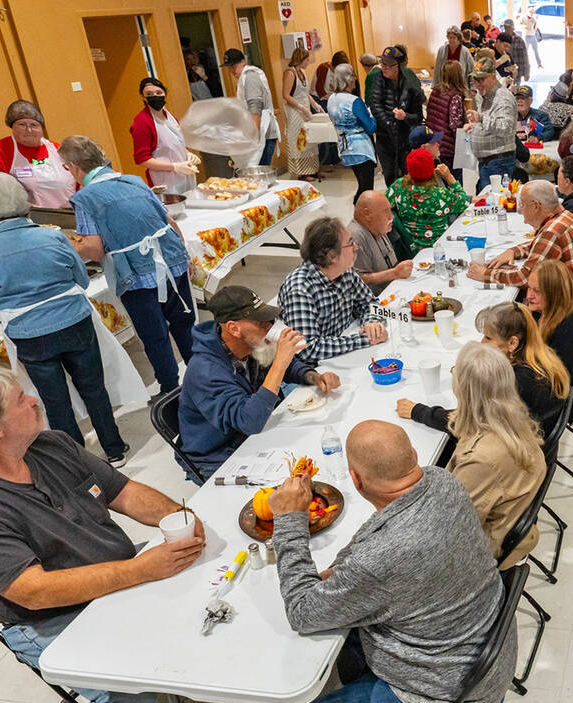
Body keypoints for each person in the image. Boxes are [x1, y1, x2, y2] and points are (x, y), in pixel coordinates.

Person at [0, 367, 207, 703]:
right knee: (132, 697)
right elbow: (32, 592)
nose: (35, 399)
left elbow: (123, 491)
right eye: (20, 399)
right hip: (45, 619)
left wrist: (179, 520)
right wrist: (142, 571)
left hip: (115, 573)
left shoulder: (49, 445)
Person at [272, 420, 515, 703]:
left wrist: (289, 521)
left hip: (448, 697)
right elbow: (375, 544)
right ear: (414, 457)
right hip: (482, 659)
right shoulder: (441, 480)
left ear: (354, 479)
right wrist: (344, 576)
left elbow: (303, 614)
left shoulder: (381, 559)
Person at [0, 173, 128, 464]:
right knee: (93, 387)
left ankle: (78, 461)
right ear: (22, 199)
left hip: (30, 334)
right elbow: (81, 278)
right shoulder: (52, 235)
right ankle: (115, 449)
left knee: (55, 401)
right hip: (75, 320)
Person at [60, 136, 195, 400]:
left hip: (137, 273)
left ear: (75, 167)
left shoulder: (85, 198)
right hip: (171, 260)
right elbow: (166, 218)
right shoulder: (132, 180)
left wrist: (65, 243)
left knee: (155, 335)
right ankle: (207, 377)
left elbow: (95, 248)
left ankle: (170, 390)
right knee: (185, 325)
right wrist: (184, 256)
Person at [179, 285, 340, 479]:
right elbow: (248, 421)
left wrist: (314, 377)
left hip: (257, 434)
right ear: (233, 328)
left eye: (270, 320)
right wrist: (280, 361)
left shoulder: (250, 344)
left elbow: (290, 368)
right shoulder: (205, 370)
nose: (269, 327)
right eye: (260, 322)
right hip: (219, 455)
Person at [443, 342, 546, 566]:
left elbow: (455, 527)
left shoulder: (480, 460)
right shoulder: (512, 418)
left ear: (464, 389)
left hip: (485, 551)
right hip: (510, 520)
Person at [402, 302, 570, 437]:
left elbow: (470, 423)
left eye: (488, 337)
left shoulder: (516, 382)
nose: (482, 342)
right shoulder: (541, 356)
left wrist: (418, 412)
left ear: (513, 343)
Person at [468, 181, 573, 322]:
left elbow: (525, 278)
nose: (520, 210)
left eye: (522, 204)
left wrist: (485, 274)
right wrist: (514, 251)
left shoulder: (552, 231)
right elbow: (542, 243)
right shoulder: (564, 217)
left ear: (535, 206)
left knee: (501, 316)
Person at [279, 216, 390, 366]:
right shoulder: (300, 290)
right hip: (315, 370)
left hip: (345, 355)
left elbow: (370, 303)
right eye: (350, 243)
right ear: (332, 256)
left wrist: (372, 325)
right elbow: (307, 349)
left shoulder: (344, 272)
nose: (356, 247)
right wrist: (365, 339)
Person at [526, 259, 573, 420]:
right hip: (548, 385)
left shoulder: (571, 334)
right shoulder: (554, 310)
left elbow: (552, 390)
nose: (529, 295)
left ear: (555, 294)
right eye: (529, 288)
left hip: (560, 403)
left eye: (537, 291)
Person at [0, 100, 76, 208]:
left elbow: (79, 179)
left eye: (34, 125)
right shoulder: (1, 149)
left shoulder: (57, 149)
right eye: (22, 125)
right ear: (12, 128)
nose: (29, 130)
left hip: (69, 214)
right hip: (31, 218)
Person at [385, 147, 468, 249]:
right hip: (441, 248)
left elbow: (384, 204)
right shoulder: (439, 194)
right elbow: (464, 203)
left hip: (411, 249)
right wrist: (449, 177)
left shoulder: (398, 187)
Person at [129, 77, 198, 197]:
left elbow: (177, 141)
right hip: (164, 181)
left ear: (165, 93)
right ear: (143, 97)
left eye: (158, 93)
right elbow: (142, 159)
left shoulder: (170, 117)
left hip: (184, 177)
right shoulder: (142, 122)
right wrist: (175, 167)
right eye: (149, 94)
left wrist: (188, 154)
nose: (155, 96)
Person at [369, 46, 424, 186]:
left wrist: (405, 116)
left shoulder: (409, 84)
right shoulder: (378, 79)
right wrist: (389, 124)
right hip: (384, 137)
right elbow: (375, 105)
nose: (384, 68)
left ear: (398, 66)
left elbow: (418, 117)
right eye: (383, 64)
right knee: (389, 175)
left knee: (406, 176)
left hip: (404, 140)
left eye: (388, 65)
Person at [465, 53, 517, 192]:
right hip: (490, 163)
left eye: (481, 79)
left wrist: (481, 119)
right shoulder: (487, 96)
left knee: (493, 207)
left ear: (493, 76)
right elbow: (493, 122)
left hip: (497, 163)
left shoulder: (502, 98)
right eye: (475, 79)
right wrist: (475, 126)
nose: (477, 84)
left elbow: (506, 127)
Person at [347, 190, 415, 294]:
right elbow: (357, 279)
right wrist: (394, 273)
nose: (391, 217)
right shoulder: (355, 237)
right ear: (367, 214)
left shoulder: (377, 227)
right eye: (386, 211)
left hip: (396, 288)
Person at [326, 63, 377, 200]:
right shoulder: (354, 101)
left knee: (361, 184)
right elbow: (370, 127)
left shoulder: (331, 99)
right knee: (366, 188)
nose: (355, 80)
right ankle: (361, 213)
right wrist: (373, 115)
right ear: (349, 79)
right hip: (361, 148)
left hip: (344, 147)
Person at [222, 49, 280, 167]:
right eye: (229, 67)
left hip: (262, 133)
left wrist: (253, 139)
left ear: (243, 62)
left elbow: (255, 109)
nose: (231, 71)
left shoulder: (250, 76)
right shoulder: (243, 78)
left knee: (258, 178)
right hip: (256, 132)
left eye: (233, 66)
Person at [280, 46, 324, 180]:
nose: (308, 63)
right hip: (295, 112)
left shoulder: (303, 73)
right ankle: (302, 172)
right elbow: (286, 95)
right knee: (299, 140)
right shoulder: (290, 73)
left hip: (305, 110)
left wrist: (315, 105)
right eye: (307, 60)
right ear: (300, 59)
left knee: (309, 140)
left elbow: (305, 92)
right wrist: (301, 107)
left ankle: (312, 169)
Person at [425, 62, 469, 182]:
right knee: (453, 182)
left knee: (439, 183)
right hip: (450, 148)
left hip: (434, 144)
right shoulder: (455, 95)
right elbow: (454, 124)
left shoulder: (435, 91)